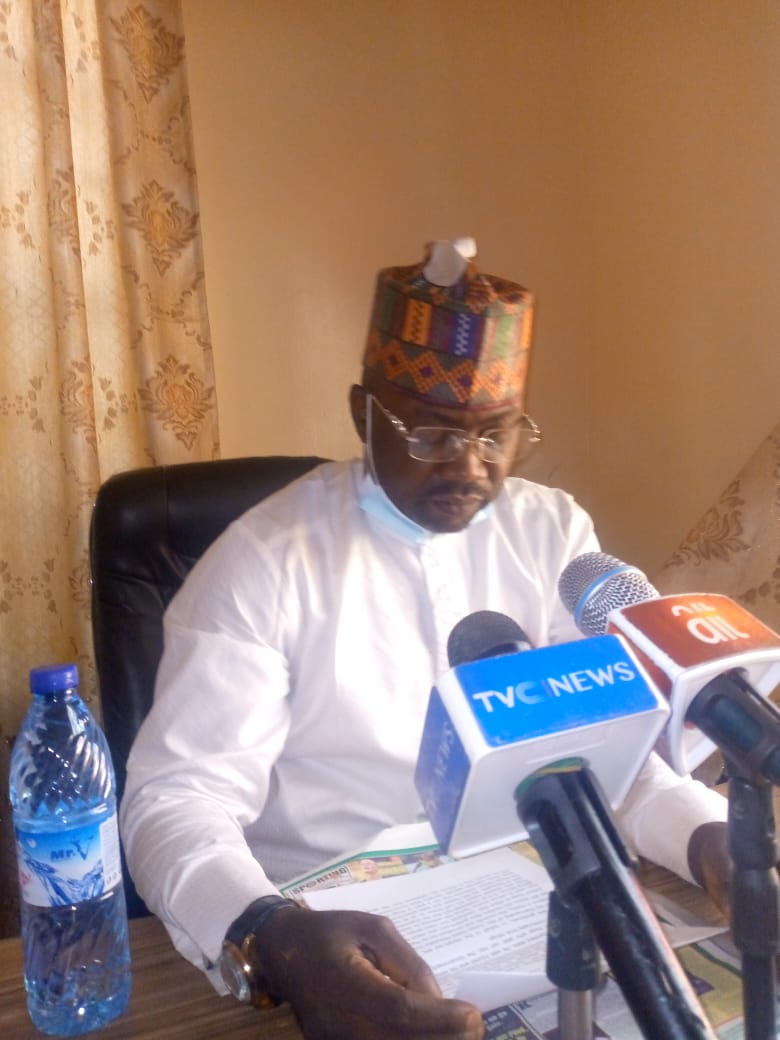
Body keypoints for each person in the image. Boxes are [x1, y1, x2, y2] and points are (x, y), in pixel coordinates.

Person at [120, 238, 731, 1040]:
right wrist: (271, 935)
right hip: (336, 943)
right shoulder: (263, 563)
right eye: (431, 435)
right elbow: (174, 801)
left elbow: (602, 756)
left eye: (496, 436)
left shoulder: (551, 534)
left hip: (531, 912)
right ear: (362, 413)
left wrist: (713, 839)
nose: (470, 468)